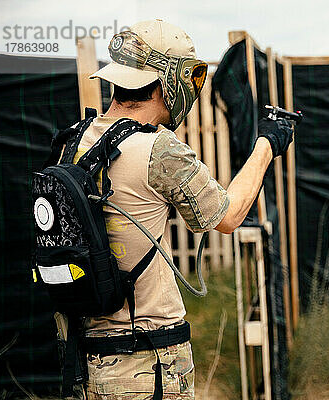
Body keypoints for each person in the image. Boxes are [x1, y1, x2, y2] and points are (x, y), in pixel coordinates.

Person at [76, 19, 293, 399]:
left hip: (84, 361)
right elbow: (228, 215)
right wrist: (267, 143)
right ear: (168, 80)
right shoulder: (157, 148)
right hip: (147, 363)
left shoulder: (78, 139)